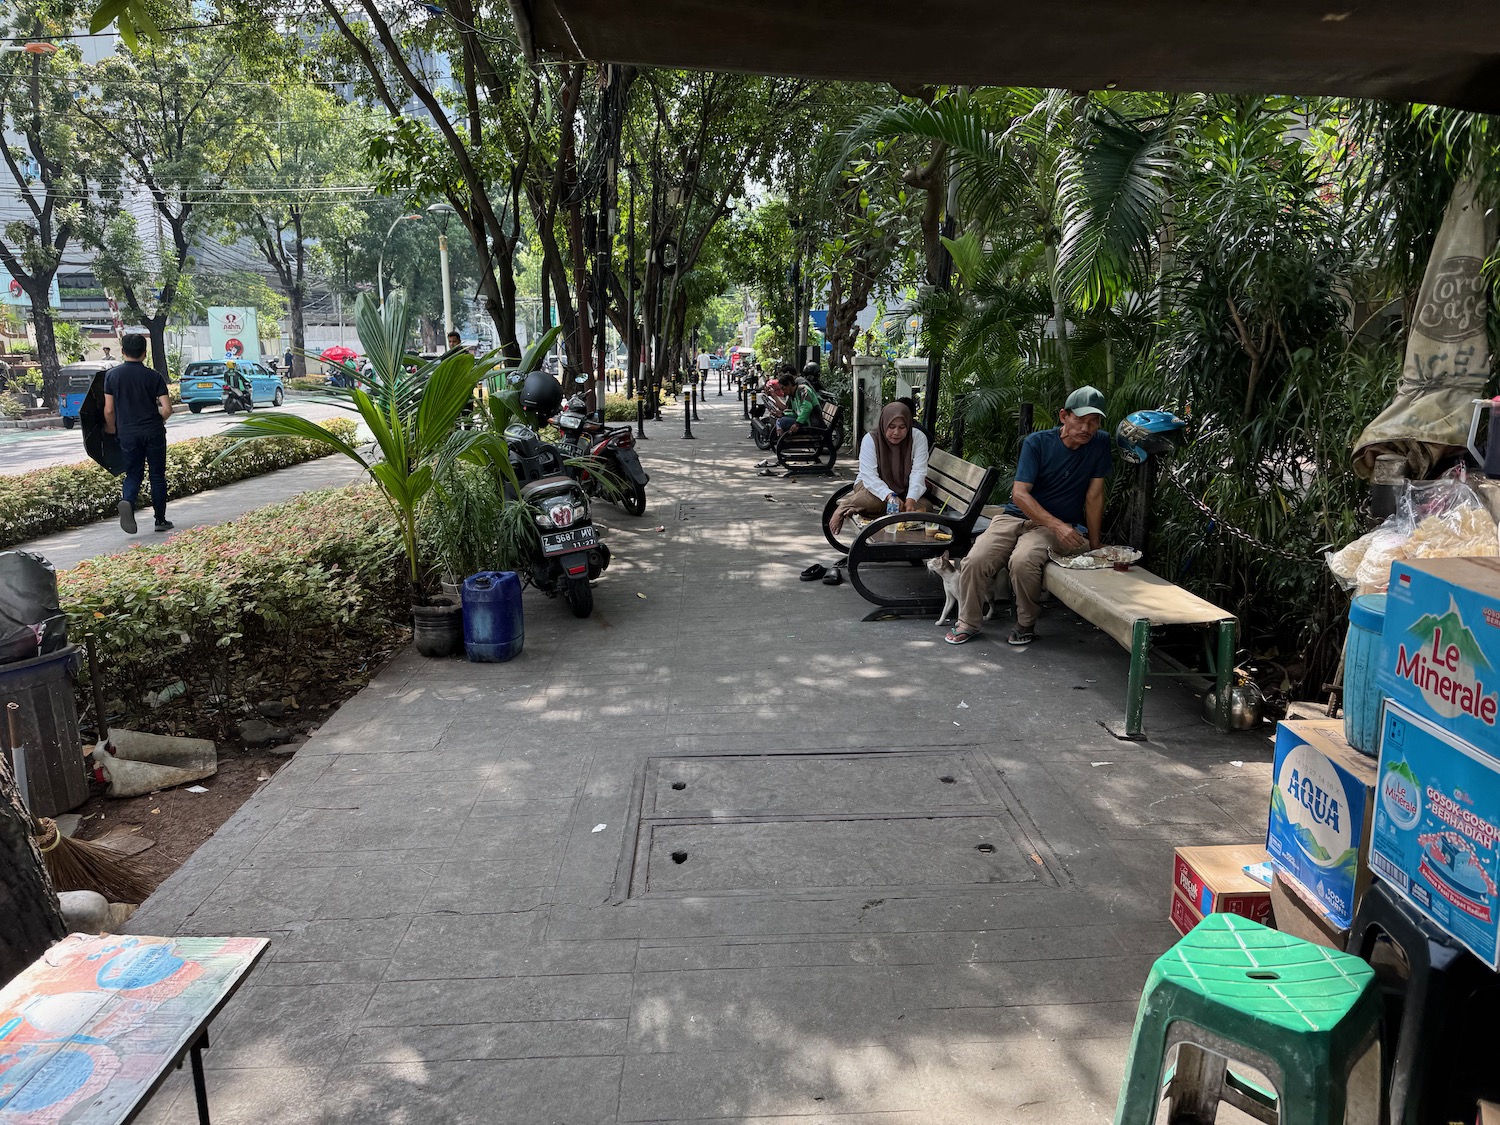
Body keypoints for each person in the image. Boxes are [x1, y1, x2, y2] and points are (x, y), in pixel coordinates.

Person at [946, 385, 1112, 648]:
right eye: (1080, 419)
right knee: (976, 559)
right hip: (1016, 517)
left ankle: (1025, 623)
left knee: (1023, 561)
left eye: (1094, 421)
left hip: (1053, 527)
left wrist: (1094, 544)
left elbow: (1094, 497)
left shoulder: (1100, 443)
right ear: (1063, 416)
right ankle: (968, 621)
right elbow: (1020, 495)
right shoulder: (1037, 443)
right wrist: (1057, 526)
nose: (1086, 428)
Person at [103, 334, 173, 534]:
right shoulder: (154, 376)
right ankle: (160, 520)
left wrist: (111, 428)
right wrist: (156, 422)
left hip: (127, 433)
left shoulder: (112, 376)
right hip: (153, 431)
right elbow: (167, 409)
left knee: (133, 472)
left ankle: (128, 501)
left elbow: (109, 410)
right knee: (157, 475)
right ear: (145, 353)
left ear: (123, 352)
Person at [829, 401, 930, 536]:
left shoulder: (918, 438)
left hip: (904, 489)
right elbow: (869, 476)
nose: (896, 432)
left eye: (902, 427)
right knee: (875, 502)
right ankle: (845, 506)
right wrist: (889, 495)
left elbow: (919, 471)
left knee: (925, 508)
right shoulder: (871, 439)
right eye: (891, 426)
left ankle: (866, 510)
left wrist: (911, 499)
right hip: (870, 487)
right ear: (884, 424)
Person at [774, 371, 820, 435]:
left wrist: (797, 424)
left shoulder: (803, 390)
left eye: (783, 388)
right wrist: (783, 414)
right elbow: (796, 413)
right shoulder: (794, 395)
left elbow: (807, 408)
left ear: (789, 384)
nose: (783, 392)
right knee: (779, 420)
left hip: (811, 422)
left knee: (782, 422)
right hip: (804, 420)